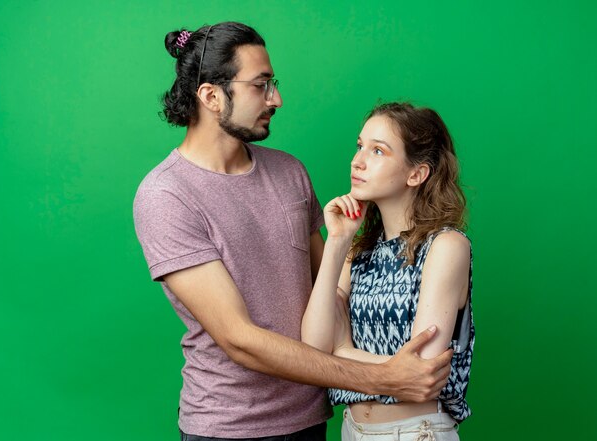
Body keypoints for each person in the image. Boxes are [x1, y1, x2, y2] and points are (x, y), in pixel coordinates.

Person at [133, 22, 453, 441]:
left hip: (312, 420)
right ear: (211, 96)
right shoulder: (167, 195)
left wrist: (347, 242)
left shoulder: (289, 172)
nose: (276, 99)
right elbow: (240, 339)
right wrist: (384, 379)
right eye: (261, 85)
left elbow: (334, 300)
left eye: (274, 83)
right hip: (229, 427)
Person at [301, 102, 474, 441]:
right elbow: (314, 347)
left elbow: (420, 373)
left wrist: (340, 356)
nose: (358, 161)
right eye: (360, 146)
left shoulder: (446, 245)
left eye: (378, 150)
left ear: (416, 174)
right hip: (353, 430)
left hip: (414, 432)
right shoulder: (358, 248)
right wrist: (337, 242)